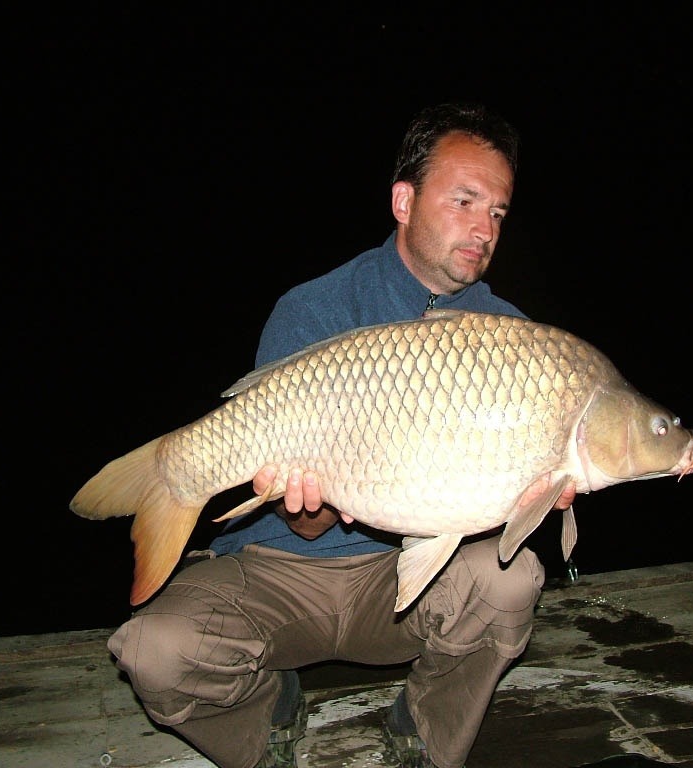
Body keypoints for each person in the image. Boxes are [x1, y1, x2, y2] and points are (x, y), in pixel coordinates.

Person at [107, 102, 577, 768]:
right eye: (464, 201)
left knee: (509, 581)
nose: (483, 229)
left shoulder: (512, 340)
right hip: (279, 576)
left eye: (497, 212)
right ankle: (265, 717)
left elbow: (498, 513)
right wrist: (311, 499)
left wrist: (538, 497)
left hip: (399, 584)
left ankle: (422, 735)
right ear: (403, 201)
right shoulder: (315, 308)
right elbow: (305, 526)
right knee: (152, 652)